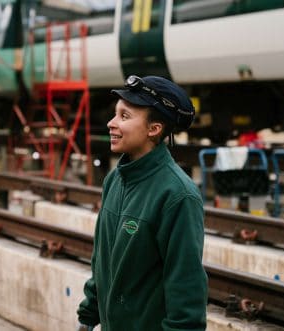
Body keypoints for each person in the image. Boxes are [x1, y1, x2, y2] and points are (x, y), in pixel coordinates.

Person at [76, 75, 208, 330]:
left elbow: (185, 284)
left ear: (154, 129)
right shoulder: (115, 180)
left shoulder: (178, 195)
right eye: (115, 114)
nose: (111, 124)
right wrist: (88, 316)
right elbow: (102, 260)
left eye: (124, 117)